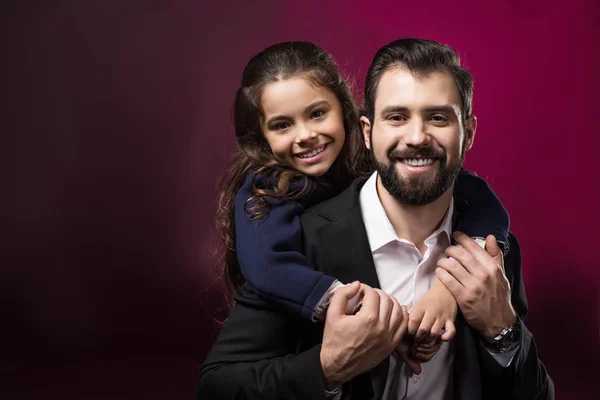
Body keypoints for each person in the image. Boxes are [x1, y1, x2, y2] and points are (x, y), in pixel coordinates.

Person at [198, 39, 551, 399]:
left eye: (438, 117)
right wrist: (327, 368)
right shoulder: (293, 242)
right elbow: (216, 388)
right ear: (368, 132)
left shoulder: (492, 255)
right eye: (397, 117)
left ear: (469, 133)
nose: (416, 138)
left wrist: (501, 329)